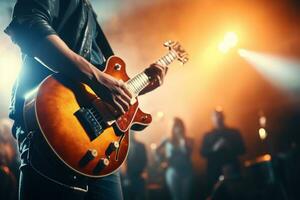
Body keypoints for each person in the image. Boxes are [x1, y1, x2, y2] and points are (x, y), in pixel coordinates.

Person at [4, 0, 167, 199]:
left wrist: (141, 85)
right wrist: (97, 79)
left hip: (100, 145)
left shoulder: (88, 10)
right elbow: (29, 24)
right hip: (53, 127)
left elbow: (106, 84)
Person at [200, 107, 245, 190]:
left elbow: (243, 150)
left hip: (233, 170)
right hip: (214, 172)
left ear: (223, 117)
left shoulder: (233, 132)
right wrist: (214, 148)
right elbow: (202, 153)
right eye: (215, 116)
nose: (218, 118)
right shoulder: (207, 136)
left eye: (219, 115)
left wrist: (230, 146)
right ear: (211, 118)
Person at [156, 117, 193, 200]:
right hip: (173, 171)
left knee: (185, 197)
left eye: (180, 126)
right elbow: (157, 151)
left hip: (187, 172)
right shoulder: (167, 139)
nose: (178, 128)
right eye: (176, 126)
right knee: (176, 197)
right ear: (172, 127)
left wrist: (182, 141)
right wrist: (161, 162)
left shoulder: (189, 140)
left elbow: (188, 155)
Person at [122, 132, 148, 200]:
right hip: (130, 175)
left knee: (140, 196)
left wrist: (144, 171)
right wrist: (125, 176)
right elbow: (124, 162)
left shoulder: (141, 145)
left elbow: (145, 159)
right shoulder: (125, 146)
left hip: (139, 175)